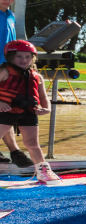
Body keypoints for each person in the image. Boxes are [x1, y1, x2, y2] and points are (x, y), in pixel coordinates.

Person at [0, 40, 60, 182]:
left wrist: (47, 108)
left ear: (33, 58)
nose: (24, 60)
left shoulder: (37, 76)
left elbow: (43, 96)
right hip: (5, 111)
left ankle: (43, 172)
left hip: (29, 113)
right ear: (10, 57)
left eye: (28, 57)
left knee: (33, 144)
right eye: (19, 56)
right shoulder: (4, 71)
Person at [0, 0, 31, 168]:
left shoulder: (10, 16)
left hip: (8, 70)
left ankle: (14, 151)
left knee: (6, 110)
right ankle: (15, 151)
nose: (7, 0)